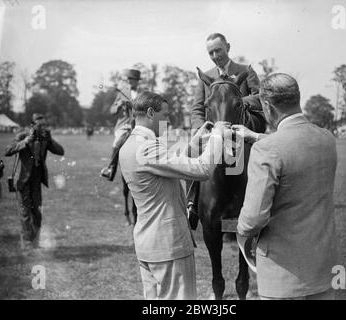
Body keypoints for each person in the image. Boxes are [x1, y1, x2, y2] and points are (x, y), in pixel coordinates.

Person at [236, 73, 339, 300]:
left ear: (266, 105)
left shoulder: (267, 150)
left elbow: (253, 219)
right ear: (297, 98)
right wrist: (256, 136)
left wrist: (240, 232)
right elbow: (295, 145)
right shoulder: (327, 139)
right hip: (325, 269)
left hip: (283, 275)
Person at [119, 91, 230, 299]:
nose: (168, 121)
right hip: (168, 246)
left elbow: (169, 164)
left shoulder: (131, 145)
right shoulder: (147, 148)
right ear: (150, 113)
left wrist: (196, 143)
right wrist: (217, 136)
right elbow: (202, 170)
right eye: (165, 115)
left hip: (149, 244)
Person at [187, 32, 263, 221]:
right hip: (213, 133)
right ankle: (192, 203)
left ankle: (266, 206)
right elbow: (197, 107)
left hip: (242, 132)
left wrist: (232, 100)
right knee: (191, 153)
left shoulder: (246, 71)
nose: (215, 56)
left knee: (265, 158)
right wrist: (199, 129)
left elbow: (260, 98)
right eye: (210, 53)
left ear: (228, 47)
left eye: (218, 50)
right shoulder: (206, 77)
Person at [4, 113, 64, 250]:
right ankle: (27, 245)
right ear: (32, 125)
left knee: (37, 212)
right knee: (25, 213)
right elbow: (7, 151)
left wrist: (51, 140)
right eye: (40, 125)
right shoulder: (22, 136)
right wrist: (25, 142)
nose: (43, 127)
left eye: (44, 125)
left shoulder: (45, 138)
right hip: (22, 181)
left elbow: (61, 151)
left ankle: (35, 242)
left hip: (36, 181)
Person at [100, 69, 141, 181]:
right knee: (118, 142)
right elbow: (112, 110)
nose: (129, 81)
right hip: (124, 125)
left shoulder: (143, 93)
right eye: (129, 79)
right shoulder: (122, 92)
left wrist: (133, 105)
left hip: (138, 125)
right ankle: (110, 170)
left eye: (132, 79)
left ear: (137, 81)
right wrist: (118, 106)